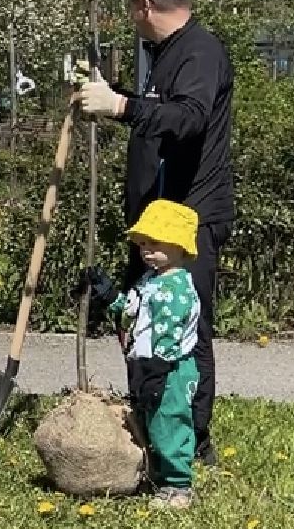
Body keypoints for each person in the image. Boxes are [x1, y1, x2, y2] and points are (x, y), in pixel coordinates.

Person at [72, 0, 234, 464]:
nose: (129, 16)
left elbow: (187, 119)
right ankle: (151, 423)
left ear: (145, 2)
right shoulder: (164, 55)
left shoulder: (200, 52)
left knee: (185, 327)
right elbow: (158, 116)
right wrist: (108, 96)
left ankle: (190, 444)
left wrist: (121, 107)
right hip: (153, 222)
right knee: (140, 319)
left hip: (188, 222)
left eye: (129, 7)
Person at [81, 200, 204, 509]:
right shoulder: (150, 280)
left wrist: (157, 369)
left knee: (169, 422)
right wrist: (110, 295)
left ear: (179, 245)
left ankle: (178, 486)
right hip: (149, 366)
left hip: (170, 369)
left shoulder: (177, 288)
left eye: (155, 242)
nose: (147, 249)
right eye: (143, 243)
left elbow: (169, 333)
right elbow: (133, 312)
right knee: (149, 421)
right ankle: (157, 474)